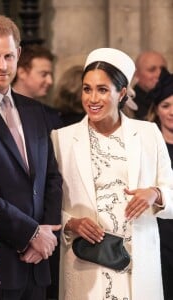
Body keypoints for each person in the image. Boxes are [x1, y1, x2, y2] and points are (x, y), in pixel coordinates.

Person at [51, 47, 173, 300]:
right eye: (87, 89)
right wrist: (71, 223)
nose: (93, 98)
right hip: (86, 263)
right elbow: (45, 202)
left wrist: (155, 194)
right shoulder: (60, 139)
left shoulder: (149, 134)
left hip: (138, 263)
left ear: (122, 93)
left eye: (103, 90)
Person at [0, 14, 63, 300]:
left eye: (9, 55)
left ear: (18, 54)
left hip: (40, 259)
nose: (3, 65)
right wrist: (30, 234)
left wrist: (47, 231)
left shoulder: (35, 110)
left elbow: (52, 177)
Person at [146, 67, 173, 299]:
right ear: (156, 110)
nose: (172, 112)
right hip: (159, 232)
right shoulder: (147, 147)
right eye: (166, 106)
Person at [13, 44, 62, 130]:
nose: (50, 81)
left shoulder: (51, 115)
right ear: (22, 73)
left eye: (51, 74)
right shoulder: (1, 110)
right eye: (44, 74)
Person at [133, 50, 167, 120]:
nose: (159, 74)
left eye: (163, 69)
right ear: (137, 74)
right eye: (152, 70)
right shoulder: (127, 106)